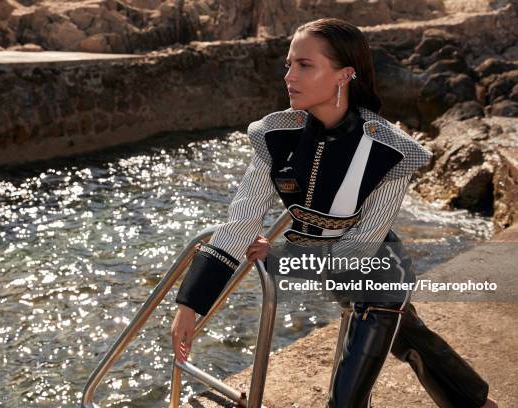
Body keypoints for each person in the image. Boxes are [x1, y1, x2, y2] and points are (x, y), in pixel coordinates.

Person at [171, 17, 496, 408]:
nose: (289, 76)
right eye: (289, 64)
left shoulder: (391, 150)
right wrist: (190, 304)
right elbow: (240, 222)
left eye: (305, 65)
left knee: (347, 399)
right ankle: (476, 403)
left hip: (377, 277)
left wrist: (281, 258)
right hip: (333, 274)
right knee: (412, 339)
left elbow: (362, 245)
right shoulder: (274, 136)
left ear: (344, 75)